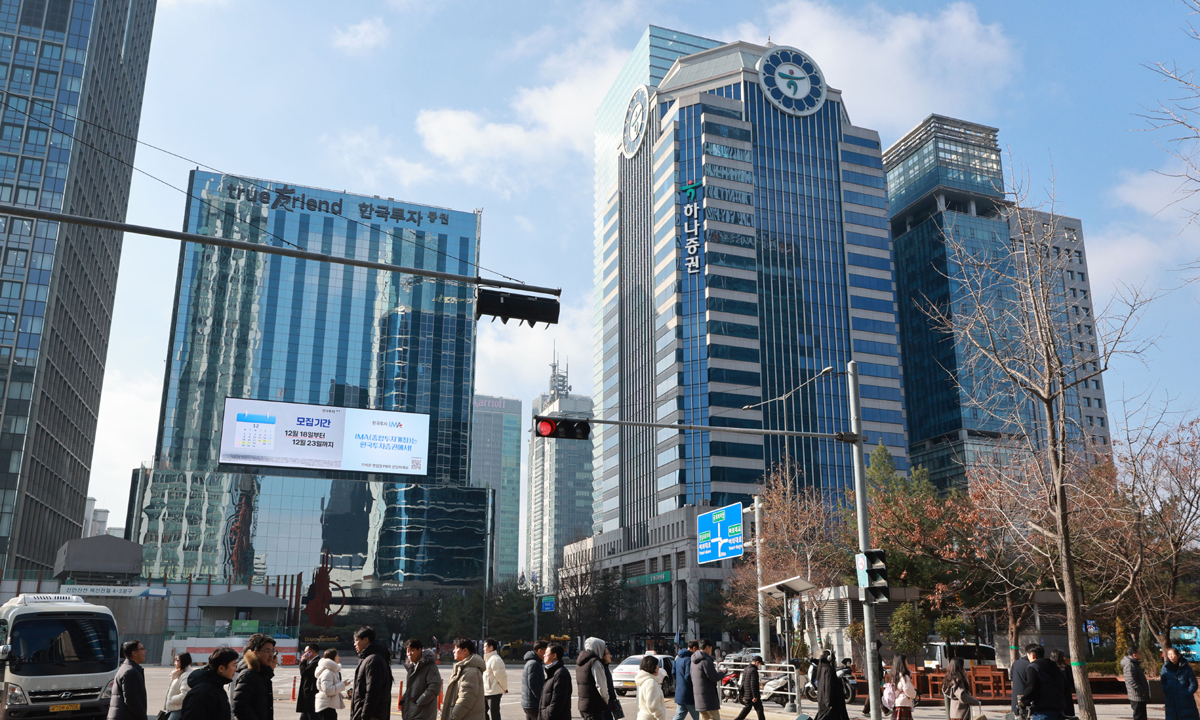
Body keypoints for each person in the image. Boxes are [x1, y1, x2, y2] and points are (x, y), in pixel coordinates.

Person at [182, 647, 239, 720]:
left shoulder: (217, 688)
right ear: (221, 668)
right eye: (233, 665)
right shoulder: (202, 693)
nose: (236, 669)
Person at [352, 626, 395, 720]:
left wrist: (365, 716)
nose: (355, 644)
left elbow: (372, 692)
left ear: (366, 640)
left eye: (356, 640)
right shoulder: (369, 658)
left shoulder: (373, 660)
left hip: (371, 716)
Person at [233, 633, 277, 720]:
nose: (271, 655)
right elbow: (240, 705)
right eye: (267, 651)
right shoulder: (249, 674)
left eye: (273, 651)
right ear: (255, 653)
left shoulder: (264, 674)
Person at [1018, 644, 1066, 720]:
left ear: (1032, 655)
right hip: (1058, 708)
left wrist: (1023, 702)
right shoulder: (1054, 666)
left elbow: (1031, 687)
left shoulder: (1033, 667)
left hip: (1043, 710)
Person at [442, 638, 487, 720]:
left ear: (465, 650)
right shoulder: (464, 669)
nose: (453, 651)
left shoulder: (470, 672)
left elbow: (466, 699)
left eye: (456, 648)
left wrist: (453, 717)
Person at [403, 639, 443, 720]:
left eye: (412, 650)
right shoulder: (412, 667)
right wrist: (403, 700)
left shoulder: (429, 666)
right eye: (408, 651)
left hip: (423, 713)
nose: (409, 654)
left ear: (419, 650)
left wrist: (420, 702)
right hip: (412, 711)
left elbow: (435, 686)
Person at [108, 640, 147, 720]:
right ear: (134, 653)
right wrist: (143, 716)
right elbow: (131, 699)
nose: (145, 651)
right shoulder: (131, 671)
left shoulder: (126, 667)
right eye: (142, 649)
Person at [577, 637, 613, 720]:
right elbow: (601, 686)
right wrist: (606, 701)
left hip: (584, 704)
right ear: (599, 648)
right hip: (595, 705)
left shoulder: (581, 662)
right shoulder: (595, 663)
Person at [1162, 647, 1200, 720]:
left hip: (1185, 701)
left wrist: (1187, 693)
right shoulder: (1165, 668)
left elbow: (1193, 683)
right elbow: (1163, 681)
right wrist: (1166, 690)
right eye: (1169, 654)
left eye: (1173, 654)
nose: (1171, 656)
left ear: (1178, 655)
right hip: (1171, 700)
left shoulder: (1186, 668)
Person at [690, 639, 722, 720]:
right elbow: (714, 677)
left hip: (698, 698)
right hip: (709, 697)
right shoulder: (706, 660)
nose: (711, 651)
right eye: (711, 648)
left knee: (703, 717)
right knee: (714, 717)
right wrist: (722, 673)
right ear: (707, 647)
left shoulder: (693, 660)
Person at [540, 644, 572, 720]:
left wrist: (548, 715)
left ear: (554, 655)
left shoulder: (560, 673)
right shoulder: (552, 672)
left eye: (546, 653)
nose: (544, 655)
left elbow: (558, 700)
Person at [815, 652, 850, 720]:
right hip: (832, 702)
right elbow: (829, 687)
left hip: (822, 701)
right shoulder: (829, 670)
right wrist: (829, 703)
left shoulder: (821, 668)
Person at [315, 648, 347, 720]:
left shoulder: (332, 671)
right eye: (337, 656)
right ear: (333, 658)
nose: (339, 657)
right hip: (326, 706)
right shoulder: (328, 672)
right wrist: (343, 685)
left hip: (328, 705)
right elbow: (328, 690)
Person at [522, 641, 550, 720]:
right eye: (546, 651)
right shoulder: (534, 664)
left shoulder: (533, 662)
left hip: (530, 702)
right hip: (532, 703)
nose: (546, 654)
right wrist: (542, 698)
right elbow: (533, 684)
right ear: (539, 651)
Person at [163, 652, 194, 720]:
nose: (175, 663)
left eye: (177, 660)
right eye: (175, 660)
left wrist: (171, 700)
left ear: (184, 661)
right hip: (174, 708)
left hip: (179, 709)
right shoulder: (178, 674)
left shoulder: (186, 676)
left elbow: (184, 695)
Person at [483, 639, 509, 720]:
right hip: (487, 691)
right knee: (482, 711)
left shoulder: (495, 659)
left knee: (494, 713)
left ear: (491, 648)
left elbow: (501, 677)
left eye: (485, 647)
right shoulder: (488, 659)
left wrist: (505, 688)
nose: (483, 649)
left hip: (494, 692)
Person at [733, 656, 764, 720]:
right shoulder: (754, 670)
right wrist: (755, 696)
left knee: (749, 709)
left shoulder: (746, 669)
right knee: (759, 710)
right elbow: (753, 684)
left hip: (747, 693)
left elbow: (743, 682)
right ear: (757, 662)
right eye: (760, 664)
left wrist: (744, 694)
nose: (759, 666)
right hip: (752, 695)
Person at [674, 642, 700, 720]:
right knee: (698, 717)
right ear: (694, 648)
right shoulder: (689, 659)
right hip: (689, 694)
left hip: (680, 692)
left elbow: (673, 672)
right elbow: (688, 676)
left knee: (679, 716)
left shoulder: (678, 658)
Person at [1122, 648, 1150, 720]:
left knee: (1141, 715)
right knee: (1139, 716)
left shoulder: (1134, 663)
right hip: (1137, 696)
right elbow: (1131, 681)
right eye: (1140, 653)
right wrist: (1142, 691)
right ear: (1134, 655)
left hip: (1139, 695)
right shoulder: (1130, 665)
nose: (1141, 655)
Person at [638, 656, 668, 720]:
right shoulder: (651, 682)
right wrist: (661, 717)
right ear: (652, 667)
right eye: (657, 666)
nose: (658, 668)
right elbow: (653, 706)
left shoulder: (645, 680)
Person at [887, 655, 917, 720]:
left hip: (896, 704)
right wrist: (914, 694)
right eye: (906, 661)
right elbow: (908, 689)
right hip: (904, 704)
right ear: (903, 663)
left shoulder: (893, 676)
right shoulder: (904, 677)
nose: (907, 663)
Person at [860, 640, 885, 717]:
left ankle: (885, 709)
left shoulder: (866, 654)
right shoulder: (875, 654)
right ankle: (866, 710)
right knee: (874, 692)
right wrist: (881, 677)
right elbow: (879, 667)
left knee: (874, 692)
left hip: (868, 676)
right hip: (875, 676)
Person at [1049, 650, 1075, 718]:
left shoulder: (1049, 668)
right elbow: (1071, 681)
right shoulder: (1066, 667)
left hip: (1053, 695)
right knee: (1068, 713)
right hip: (1066, 694)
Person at [298, 644, 321, 720]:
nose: (304, 654)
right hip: (307, 696)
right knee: (304, 717)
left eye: (306, 652)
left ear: (312, 652)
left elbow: (304, 673)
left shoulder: (316, 662)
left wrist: (303, 661)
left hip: (311, 696)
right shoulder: (311, 662)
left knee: (311, 716)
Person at [1010, 649, 1032, 718]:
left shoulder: (1016, 663)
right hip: (1026, 700)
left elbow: (1011, 677)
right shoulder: (1030, 665)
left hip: (1016, 699)